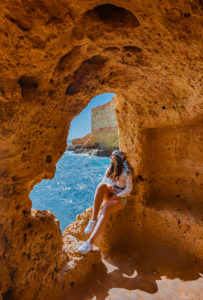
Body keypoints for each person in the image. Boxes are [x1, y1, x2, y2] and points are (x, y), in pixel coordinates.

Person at [78, 149, 133, 254]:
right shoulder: (109, 170)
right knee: (100, 186)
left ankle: (89, 243)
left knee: (106, 207)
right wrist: (108, 185)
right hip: (110, 194)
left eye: (111, 156)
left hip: (121, 198)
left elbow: (129, 189)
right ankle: (93, 220)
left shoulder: (126, 171)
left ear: (116, 158)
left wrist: (117, 196)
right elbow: (104, 181)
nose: (110, 157)